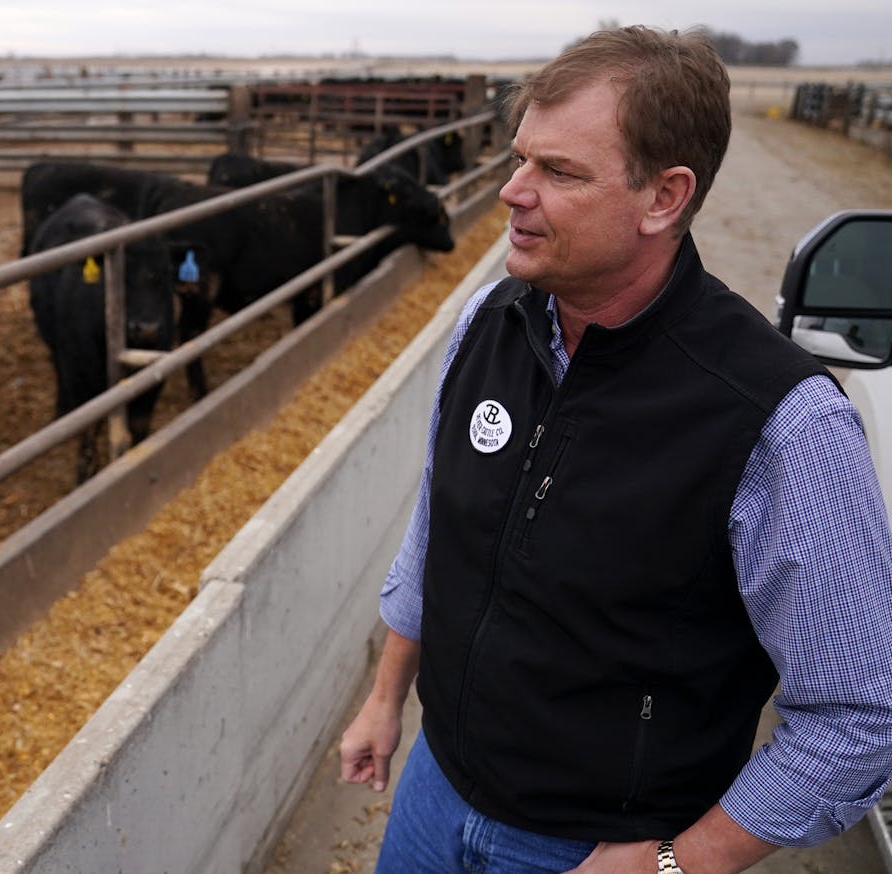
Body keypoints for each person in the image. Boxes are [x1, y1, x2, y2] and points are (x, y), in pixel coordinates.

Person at [338, 24, 892, 874]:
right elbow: (436, 531)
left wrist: (676, 863)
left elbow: (862, 715)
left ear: (664, 198)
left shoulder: (780, 423)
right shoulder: (487, 325)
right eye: (522, 158)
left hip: (595, 847)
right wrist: (385, 698)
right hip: (434, 792)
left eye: (558, 172)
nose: (512, 192)